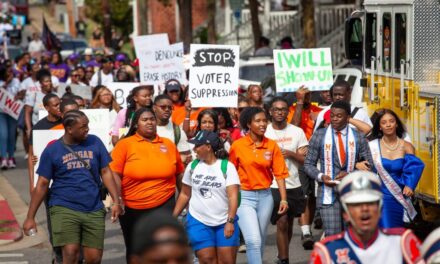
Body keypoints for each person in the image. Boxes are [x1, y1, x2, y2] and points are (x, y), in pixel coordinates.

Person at [23, 110, 123, 264]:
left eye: (88, 125)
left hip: (94, 207)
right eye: (83, 126)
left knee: (94, 258)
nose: (87, 129)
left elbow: (106, 172)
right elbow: (42, 184)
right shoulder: (52, 150)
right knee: (70, 254)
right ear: (69, 129)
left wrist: (116, 201)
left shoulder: (95, 142)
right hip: (64, 206)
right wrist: (30, 217)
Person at [110, 107, 185, 262]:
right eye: (145, 120)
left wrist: (184, 201)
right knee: (136, 248)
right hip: (132, 207)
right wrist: (116, 200)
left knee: (164, 246)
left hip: (165, 203)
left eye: (152, 119)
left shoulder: (168, 144)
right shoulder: (125, 144)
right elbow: (115, 174)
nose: (150, 122)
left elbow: (179, 173)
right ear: (136, 124)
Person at [310, 171, 423, 264]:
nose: (364, 209)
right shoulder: (326, 252)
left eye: (370, 203)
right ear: (345, 213)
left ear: (380, 209)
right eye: (356, 204)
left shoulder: (403, 242)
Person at [304, 101, 373, 237]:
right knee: (333, 235)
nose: (334, 119)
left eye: (339, 116)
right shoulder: (319, 135)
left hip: (353, 192)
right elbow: (308, 164)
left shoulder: (358, 137)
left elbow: (369, 164)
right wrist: (321, 176)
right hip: (328, 193)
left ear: (348, 118)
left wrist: (351, 172)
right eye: (332, 116)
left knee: (353, 236)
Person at [229, 107, 289, 263]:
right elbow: (230, 174)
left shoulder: (272, 145)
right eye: (258, 121)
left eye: (264, 120)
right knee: (253, 240)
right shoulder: (238, 146)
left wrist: (283, 199)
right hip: (244, 198)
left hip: (266, 198)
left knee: (259, 239)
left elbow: (280, 173)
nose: (263, 124)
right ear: (248, 124)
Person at [173, 130, 240, 263]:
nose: (194, 149)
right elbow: (185, 194)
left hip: (224, 221)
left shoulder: (227, 167)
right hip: (198, 221)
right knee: (207, 259)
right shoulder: (192, 166)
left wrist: (230, 222)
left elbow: (233, 197)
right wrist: (173, 217)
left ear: (208, 147)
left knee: (226, 261)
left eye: (198, 145)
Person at [266, 97, 308, 264]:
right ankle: (284, 260)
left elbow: (306, 160)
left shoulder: (297, 132)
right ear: (271, 111)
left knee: (289, 223)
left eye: (283, 109)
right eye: (276, 109)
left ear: (287, 112)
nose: (280, 112)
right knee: (282, 221)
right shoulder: (265, 131)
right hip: (273, 184)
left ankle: (281, 253)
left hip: (293, 183)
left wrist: (290, 153)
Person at [368, 109, 424, 228]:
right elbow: (361, 164)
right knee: (387, 228)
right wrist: (358, 164)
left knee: (398, 232)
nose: (388, 125)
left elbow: (412, 168)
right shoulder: (372, 146)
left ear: (396, 124)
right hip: (381, 195)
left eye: (391, 121)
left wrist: (410, 185)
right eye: (384, 122)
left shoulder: (407, 146)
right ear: (379, 127)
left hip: (400, 194)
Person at [287, 86, 322, 249]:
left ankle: (308, 227)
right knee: (304, 195)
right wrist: (299, 103)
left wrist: (320, 119)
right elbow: (293, 127)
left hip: (317, 157)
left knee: (313, 196)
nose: (306, 97)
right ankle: (305, 231)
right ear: (296, 95)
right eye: (302, 95)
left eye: (308, 94)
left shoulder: (319, 110)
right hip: (299, 158)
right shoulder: (290, 109)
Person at [153, 94, 191, 162]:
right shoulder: (145, 128)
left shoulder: (178, 131)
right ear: (154, 108)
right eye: (163, 107)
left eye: (170, 107)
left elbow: (185, 157)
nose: (167, 109)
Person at [0, 66, 23, 169]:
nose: (10, 74)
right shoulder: (1, 82)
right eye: (8, 72)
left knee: (11, 135)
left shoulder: (16, 81)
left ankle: (11, 157)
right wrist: (5, 84)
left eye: (11, 72)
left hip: (13, 112)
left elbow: (21, 93)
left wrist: (20, 95)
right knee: (3, 135)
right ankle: (3, 157)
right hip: (1, 112)